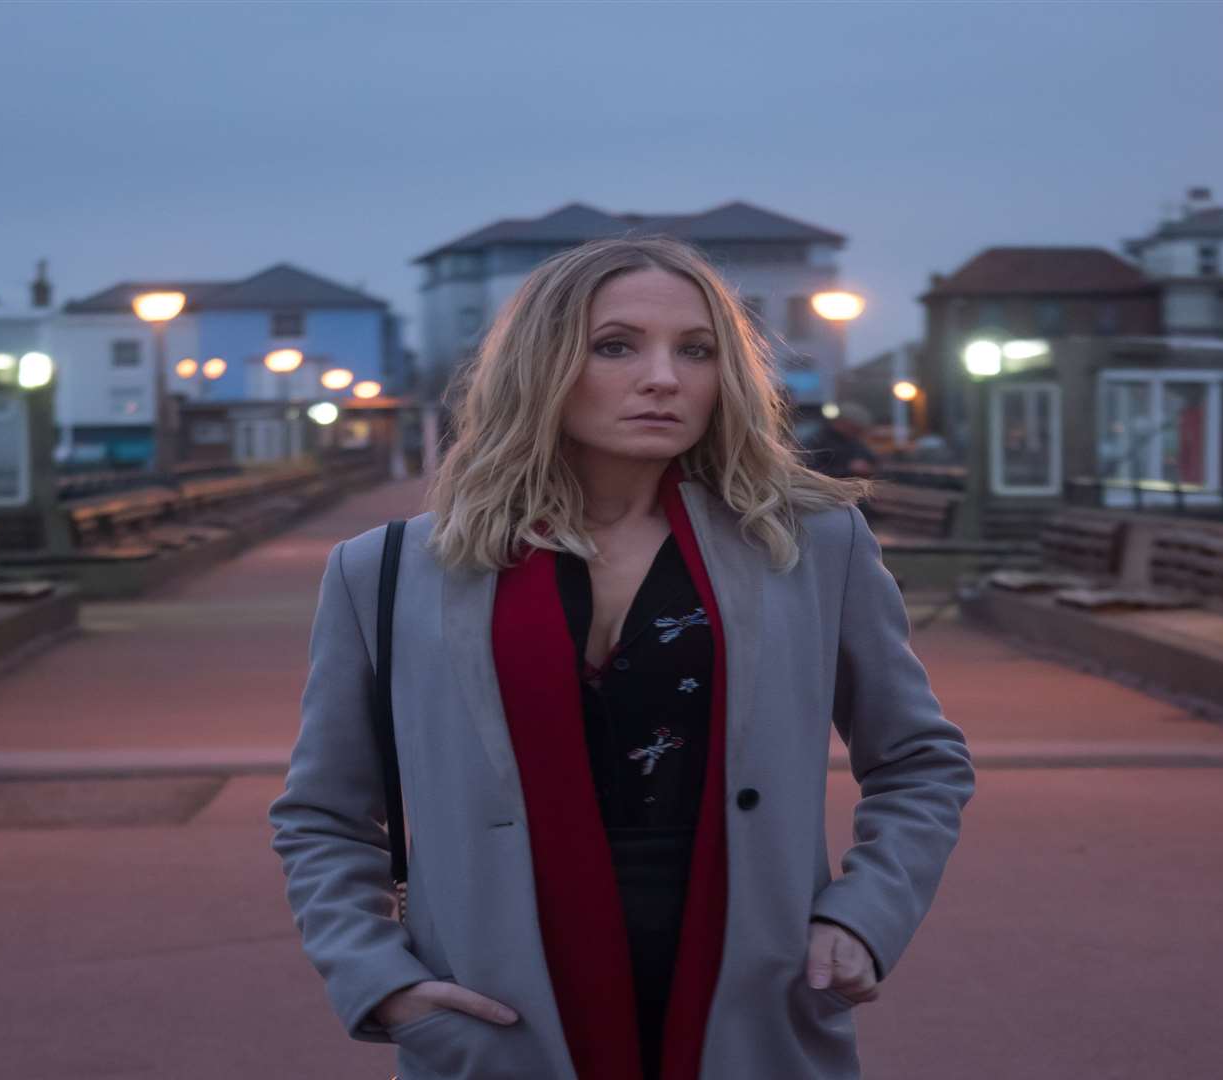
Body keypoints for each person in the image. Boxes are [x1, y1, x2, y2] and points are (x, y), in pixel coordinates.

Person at [270, 236, 975, 1080]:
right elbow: (323, 814)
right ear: (542, 365)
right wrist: (379, 980)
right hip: (502, 1017)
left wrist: (862, 918)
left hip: (753, 1001)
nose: (664, 378)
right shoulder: (384, 573)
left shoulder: (813, 546)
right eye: (616, 346)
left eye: (697, 350)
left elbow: (921, 761)